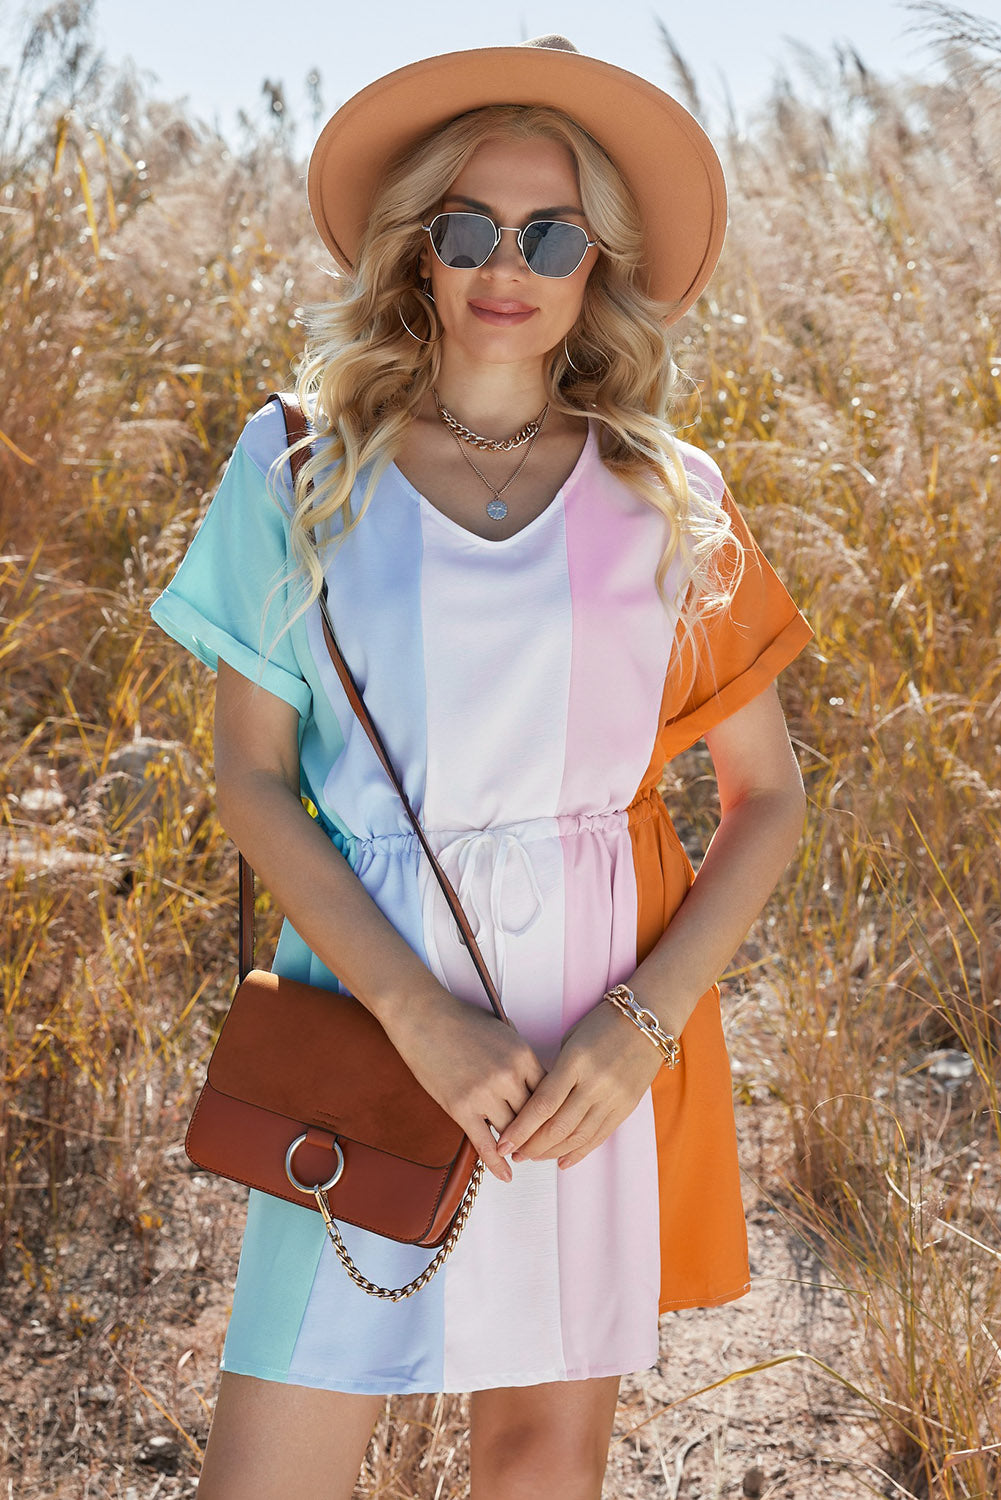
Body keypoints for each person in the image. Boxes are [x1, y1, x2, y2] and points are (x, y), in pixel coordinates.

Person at [151, 35, 812, 1500]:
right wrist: (417, 1019)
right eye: (468, 229)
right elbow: (252, 779)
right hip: (372, 1016)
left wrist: (641, 1028)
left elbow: (767, 800)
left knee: (535, 1463)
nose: (507, 266)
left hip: (587, 1037)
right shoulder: (297, 469)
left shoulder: (670, 496)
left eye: (551, 235)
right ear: (417, 249)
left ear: (599, 264)